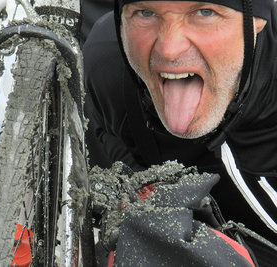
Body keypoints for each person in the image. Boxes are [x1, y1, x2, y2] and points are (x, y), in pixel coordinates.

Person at [83, 0, 277, 266]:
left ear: (256, 20)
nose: (170, 49)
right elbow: (104, 144)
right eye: (146, 13)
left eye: (205, 13)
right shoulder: (108, 68)